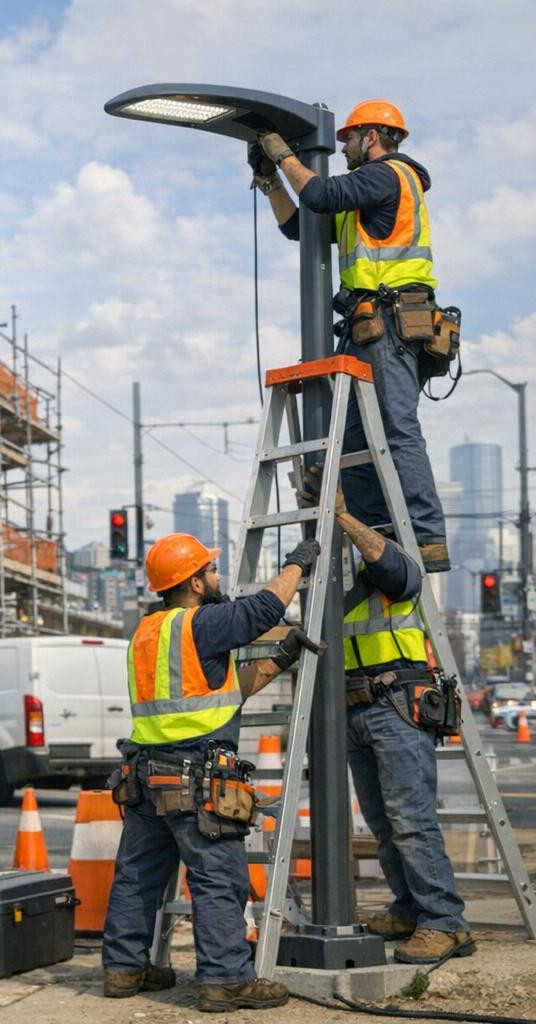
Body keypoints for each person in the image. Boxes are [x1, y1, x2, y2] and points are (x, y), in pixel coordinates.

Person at [101, 532, 320, 1012]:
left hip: (143, 776)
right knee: (217, 878)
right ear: (194, 582)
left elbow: (217, 696)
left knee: (137, 876)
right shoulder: (202, 623)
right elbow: (262, 611)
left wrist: (279, 660)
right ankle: (225, 979)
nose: (219, 578)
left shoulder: (145, 633)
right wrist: (296, 565)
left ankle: (124, 969)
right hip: (194, 776)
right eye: (212, 571)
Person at [253, 100, 448, 573]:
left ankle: (425, 536)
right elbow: (302, 225)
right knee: (357, 439)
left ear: (373, 136)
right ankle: (379, 533)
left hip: (391, 323)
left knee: (397, 428)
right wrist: (271, 182)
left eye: (348, 139)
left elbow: (319, 193)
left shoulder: (389, 174)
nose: (343, 148)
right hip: (368, 326)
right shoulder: (361, 196)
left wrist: (283, 154)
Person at [297, 474, 473, 963]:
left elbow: (396, 571)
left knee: (411, 821)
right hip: (350, 705)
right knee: (382, 823)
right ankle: (409, 907)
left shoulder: (395, 558)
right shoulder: (332, 571)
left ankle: (444, 921)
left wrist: (341, 513)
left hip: (395, 701)